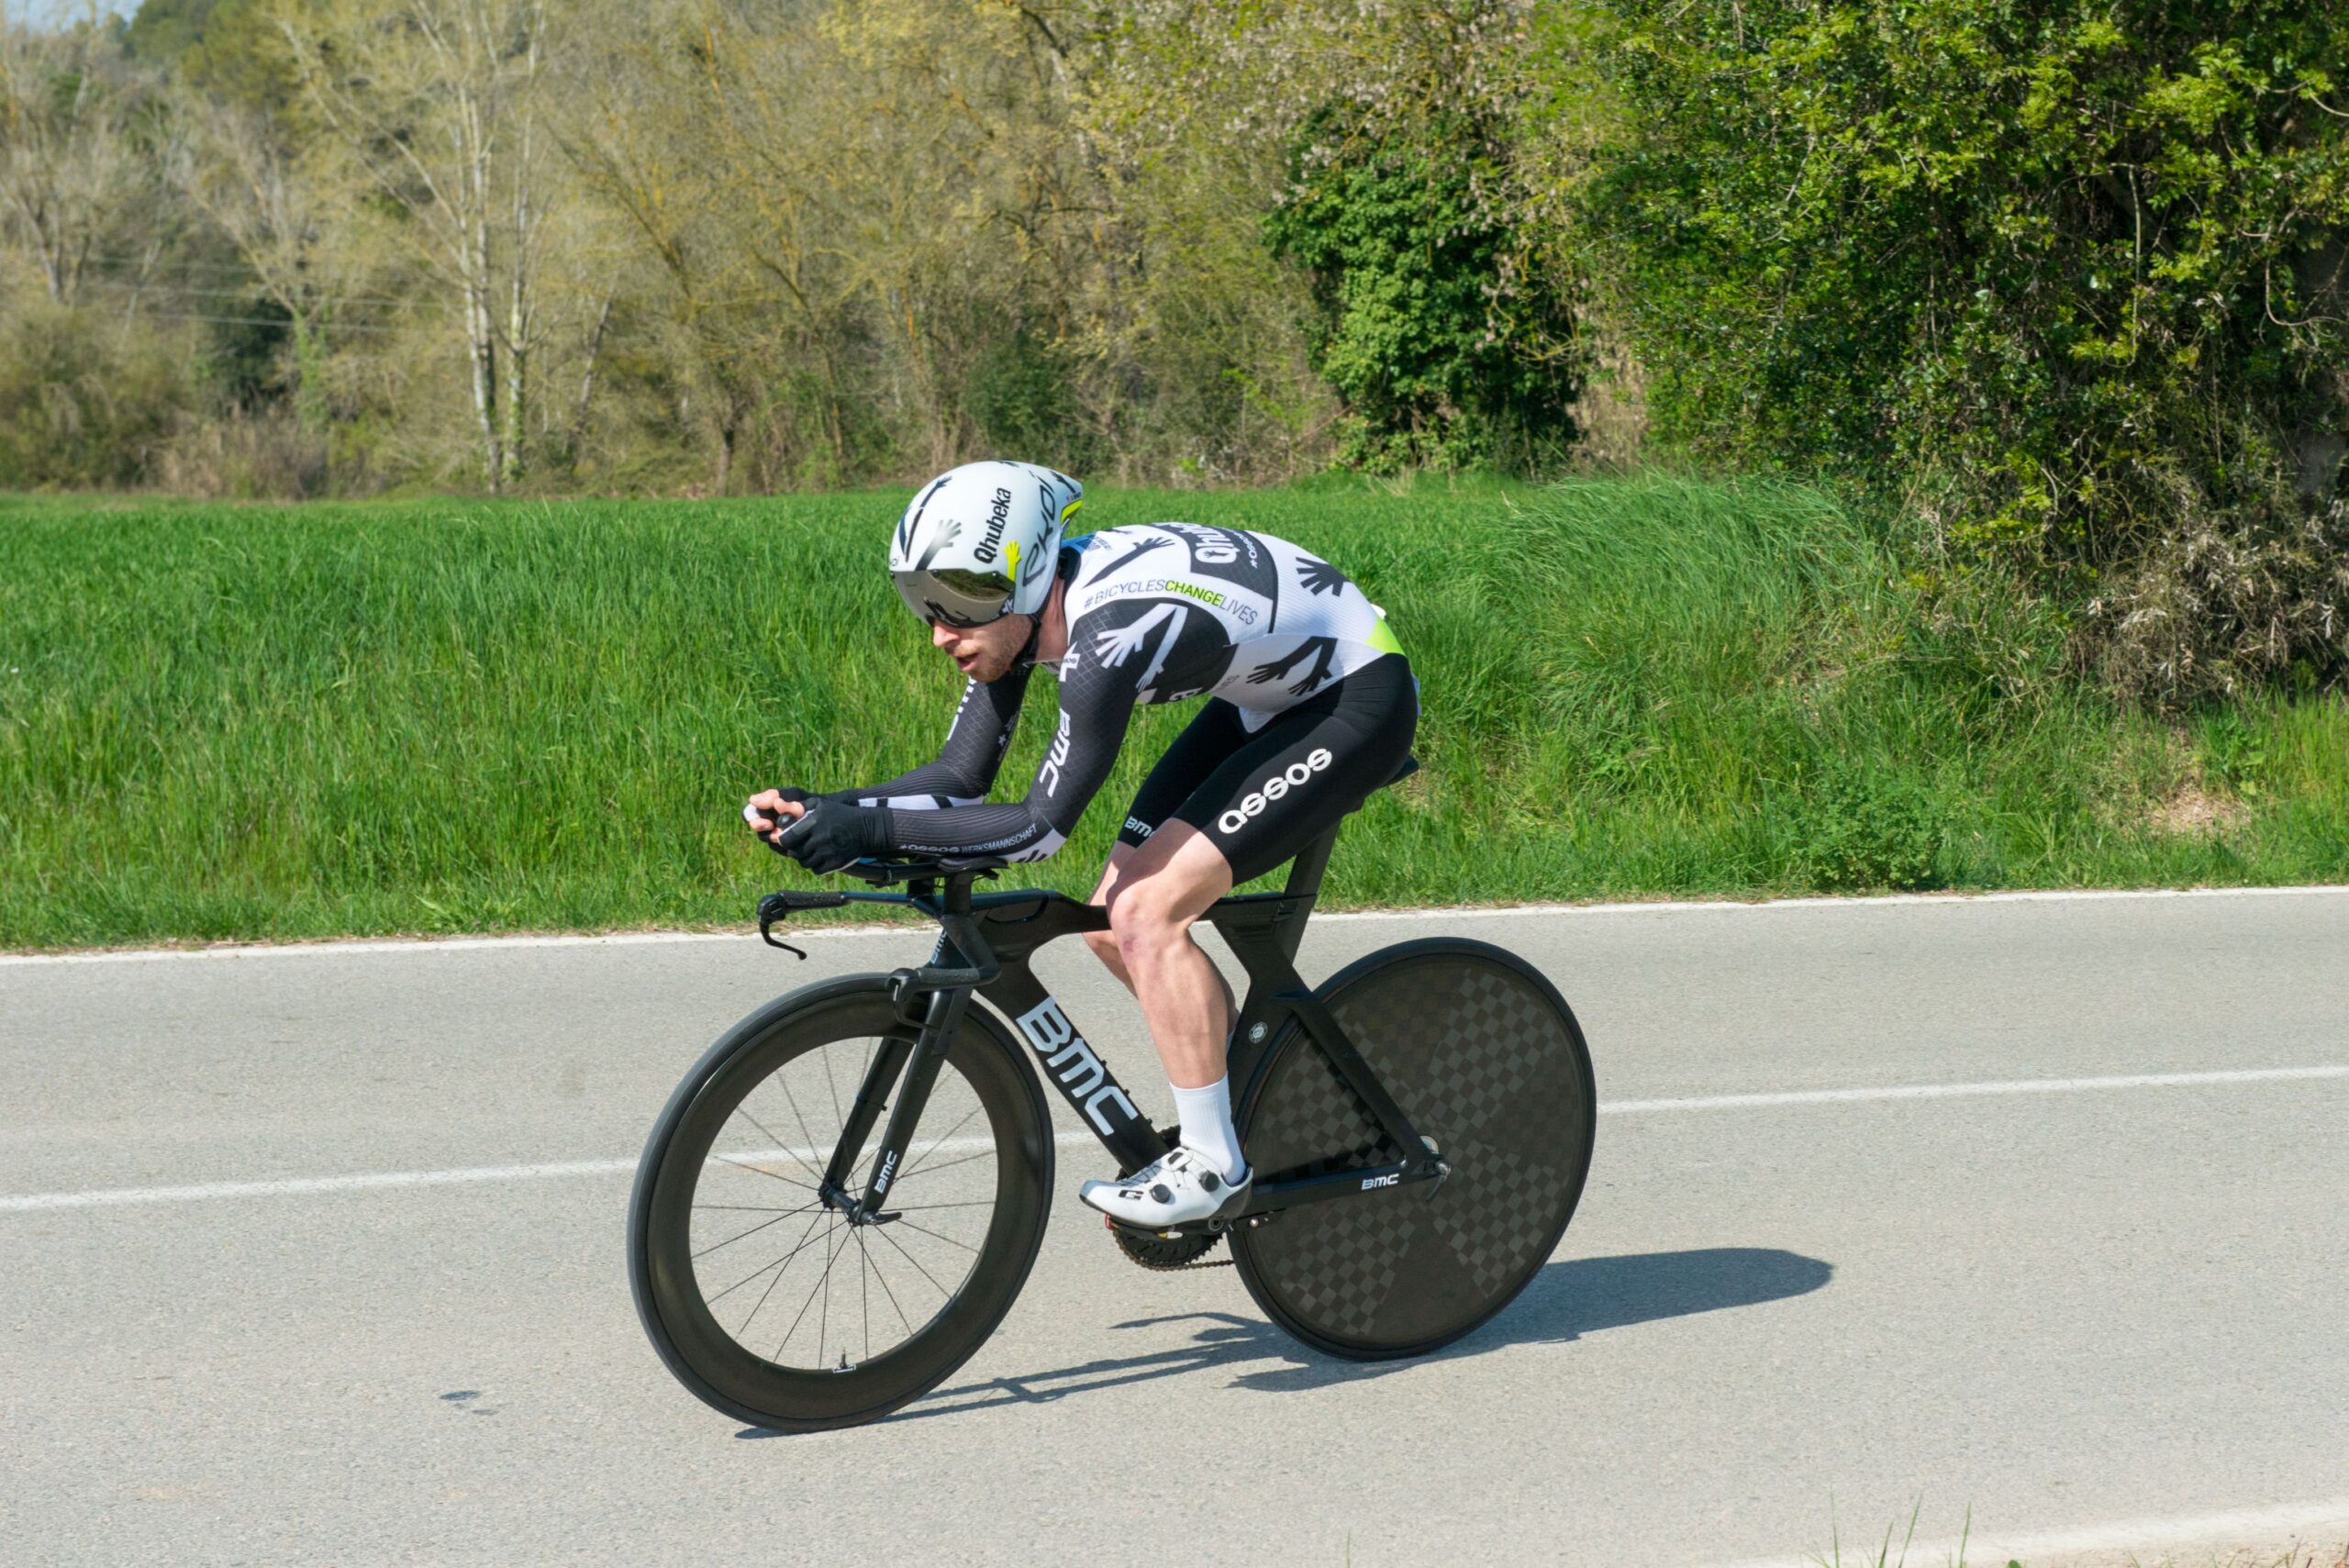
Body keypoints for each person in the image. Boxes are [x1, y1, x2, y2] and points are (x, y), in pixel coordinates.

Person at [746, 460, 1416, 1228]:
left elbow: (1038, 827)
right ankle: (1263, 1106)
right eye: (921, 600)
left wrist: (865, 830)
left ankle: (1213, 1163)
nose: (939, 630)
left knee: (1145, 913)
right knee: (1107, 924)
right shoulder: (1018, 612)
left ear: (1025, 577)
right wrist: (831, 807)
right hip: (1266, 694)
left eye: (957, 600)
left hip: (1353, 697)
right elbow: (959, 776)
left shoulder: (1106, 638)